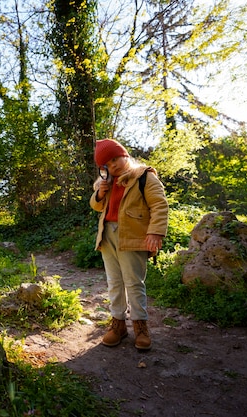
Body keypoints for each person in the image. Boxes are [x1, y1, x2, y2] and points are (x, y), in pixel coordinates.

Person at [90, 139, 169, 350]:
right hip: (107, 237)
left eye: (116, 158)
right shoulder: (104, 183)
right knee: (114, 282)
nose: (114, 165)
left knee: (134, 283)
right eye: (108, 163)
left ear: (125, 156)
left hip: (133, 237)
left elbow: (159, 205)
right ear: (103, 168)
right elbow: (96, 206)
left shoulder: (144, 176)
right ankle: (118, 325)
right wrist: (100, 193)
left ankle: (140, 326)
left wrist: (155, 232)